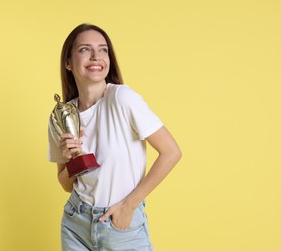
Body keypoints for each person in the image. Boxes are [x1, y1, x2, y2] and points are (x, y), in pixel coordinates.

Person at [48, 23, 182, 251]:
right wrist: (72, 160)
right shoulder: (61, 116)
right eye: (84, 49)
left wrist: (129, 205)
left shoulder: (122, 98)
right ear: (68, 62)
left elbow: (171, 152)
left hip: (120, 226)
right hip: (75, 224)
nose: (96, 56)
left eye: (103, 50)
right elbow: (66, 185)